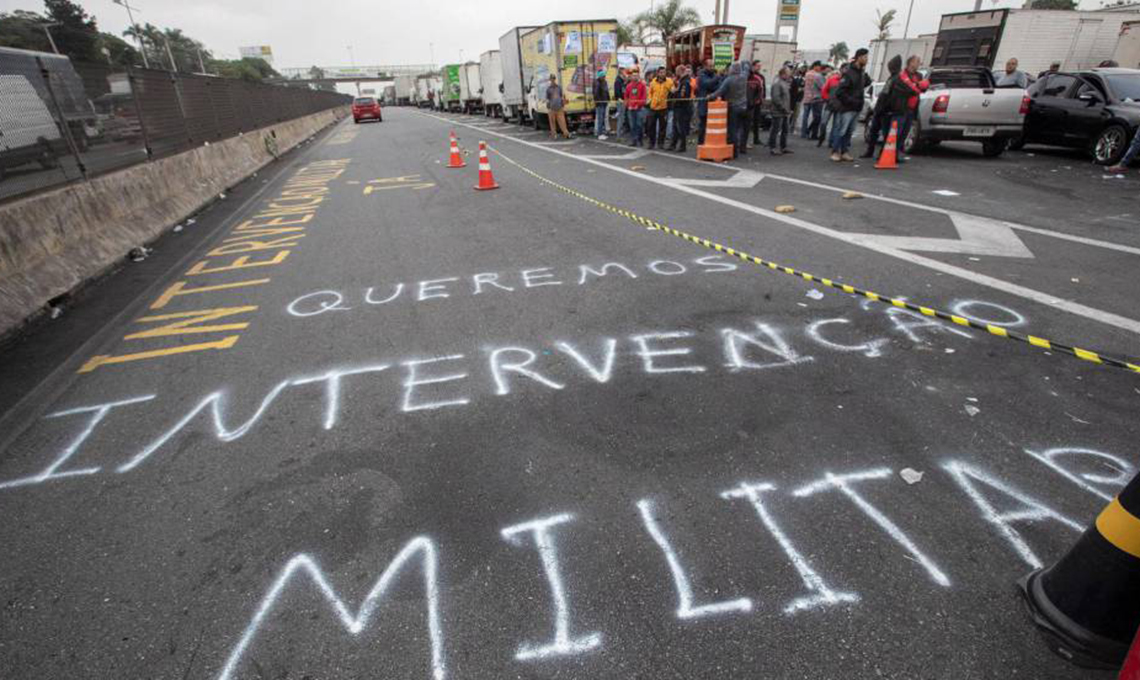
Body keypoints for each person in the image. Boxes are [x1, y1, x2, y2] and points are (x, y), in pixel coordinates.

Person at [829, 50, 870, 162]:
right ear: (859, 57)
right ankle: (835, 152)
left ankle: (844, 151)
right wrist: (851, 101)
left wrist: (864, 72)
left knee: (849, 132)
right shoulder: (849, 73)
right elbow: (840, 92)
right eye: (865, 57)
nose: (867, 59)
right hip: (847, 108)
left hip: (856, 108)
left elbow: (867, 82)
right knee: (842, 130)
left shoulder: (861, 72)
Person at [861, 54, 902, 159]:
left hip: (885, 111)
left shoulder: (896, 79)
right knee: (874, 132)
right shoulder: (892, 78)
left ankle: (880, 154)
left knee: (884, 133)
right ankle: (870, 152)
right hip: (880, 110)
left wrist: (885, 108)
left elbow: (890, 96)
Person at [712, 61, 749, 158]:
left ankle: (734, 151)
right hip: (744, 106)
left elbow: (720, 91)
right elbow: (747, 67)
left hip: (733, 107)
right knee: (742, 129)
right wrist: (744, 63)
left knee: (733, 130)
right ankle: (742, 147)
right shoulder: (744, 77)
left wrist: (710, 96)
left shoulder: (729, 80)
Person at [897, 55, 929, 154]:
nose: (919, 63)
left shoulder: (919, 75)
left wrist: (921, 86)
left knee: (906, 132)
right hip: (902, 107)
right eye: (917, 61)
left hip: (912, 108)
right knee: (898, 131)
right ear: (911, 62)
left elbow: (923, 89)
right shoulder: (902, 74)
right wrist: (917, 86)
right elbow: (906, 89)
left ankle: (898, 152)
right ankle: (891, 153)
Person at [646, 67, 673, 150]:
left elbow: (672, 91)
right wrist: (649, 100)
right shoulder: (653, 82)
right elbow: (650, 92)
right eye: (660, 72)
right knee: (651, 126)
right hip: (653, 107)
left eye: (664, 72)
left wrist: (673, 90)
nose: (662, 74)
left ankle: (661, 143)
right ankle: (651, 143)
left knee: (662, 127)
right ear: (658, 73)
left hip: (663, 107)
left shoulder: (669, 81)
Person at [669, 65, 694, 152]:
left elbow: (682, 96)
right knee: (675, 127)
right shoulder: (681, 81)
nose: (676, 73)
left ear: (680, 71)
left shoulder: (685, 82)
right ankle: (673, 144)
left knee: (681, 127)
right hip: (678, 107)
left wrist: (674, 92)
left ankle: (682, 146)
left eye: (677, 71)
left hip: (682, 108)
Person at [769, 66, 792, 155]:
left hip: (784, 111)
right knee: (775, 129)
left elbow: (785, 98)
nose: (789, 75)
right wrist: (783, 108)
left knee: (785, 130)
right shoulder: (777, 83)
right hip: (778, 111)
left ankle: (783, 146)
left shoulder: (784, 83)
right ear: (783, 74)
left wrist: (787, 109)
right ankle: (773, 147)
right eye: (788, 73)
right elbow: (776, 98)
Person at [696, 59, 721, 144]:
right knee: (703, 125)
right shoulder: (702, 75)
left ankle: (709, 142)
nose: (712, 68)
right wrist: (716, 78)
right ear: (705, 66)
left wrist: (714, 82)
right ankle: (701, 143)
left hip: (713, 104)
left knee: (712, 125)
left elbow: (718, 87)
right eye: (710, 66)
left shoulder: (713, 75)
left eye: (713, 66)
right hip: (704, 104)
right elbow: (707, 84)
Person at [817, 64, 840, 148]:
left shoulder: (840, 81)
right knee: (827, 123)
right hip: (831, 105)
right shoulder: (831, 80)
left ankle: (828, 141)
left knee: (832, 124)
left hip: (835, 106)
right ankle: (824, 139)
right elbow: (824, 91)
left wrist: (827, 99)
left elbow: (824, 91)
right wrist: (828, 99)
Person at [801, 61, 825, 139]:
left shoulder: (807, 73)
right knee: (816, 117)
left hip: (806, 97)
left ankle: (803, 133)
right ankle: (811, 132)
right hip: (814, 97)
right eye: (819, 66)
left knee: (805, 116)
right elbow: (821, 86)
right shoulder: (816, 75)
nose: (820, 68)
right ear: (815, 66)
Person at [625, 69, 648, 147]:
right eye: (633, 76)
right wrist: (628, 105)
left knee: (639, 125)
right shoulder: (629, 86)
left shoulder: (642, 85)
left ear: (638, 76)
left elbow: (644, 97)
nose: (635, 77)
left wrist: (637, 105)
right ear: (631, 77)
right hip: (631, 109)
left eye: (636, 75)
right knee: (632, 126)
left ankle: (640, 140)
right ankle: (634, 140)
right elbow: (626, 97)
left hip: (639, 109)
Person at [546, 75, 571, 139]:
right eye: (551, 79)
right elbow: (548, 99)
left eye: (553, 79)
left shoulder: (559, 87)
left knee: (562, 122)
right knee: (552, 123)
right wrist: (548, 107)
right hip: (552, 108)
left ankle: (566, 133)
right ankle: (554, 134)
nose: (552, 80)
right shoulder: (548, 89)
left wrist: (563, 103)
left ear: (555, 79)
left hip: (559, 107)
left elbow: (562, 96)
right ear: (550, 80)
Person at [748, 60, 767, 146]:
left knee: (757, 120)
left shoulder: (761, 77)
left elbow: (763, 88)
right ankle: (747, 140)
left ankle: (756, 138)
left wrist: (763, 97)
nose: (759, 67)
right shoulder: (749, 76)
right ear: (753, 66)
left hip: (758, 101)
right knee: (748, 121)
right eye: (757, 66)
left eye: (760, 66)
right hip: (751, 102)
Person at [593, 69, 610, 140]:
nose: (604, 77)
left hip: (604, 102)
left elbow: (606, 92)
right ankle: (599, 134)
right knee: (600, 118)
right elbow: (596, 94)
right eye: (603, 76)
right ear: (600, 76)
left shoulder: (604, 82)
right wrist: (599, 102)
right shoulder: (597, 83)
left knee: (602, 118)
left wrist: (608, 99)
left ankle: (601, 132)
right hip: (600, 103)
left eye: (604, 76)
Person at [788, 66, 805, 134]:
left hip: (798, 99)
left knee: (795, 115)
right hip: (791, 99)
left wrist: (800, 90)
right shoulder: (791, 79)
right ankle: (786, 127)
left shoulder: (803, 79)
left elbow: (803, 88)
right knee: (789, 114)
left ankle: (792, 128)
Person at [614, 68, 628, 139]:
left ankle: (620, 134)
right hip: (620, 102)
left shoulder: (622, 80)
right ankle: (618, 135)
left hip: (623, 101)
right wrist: (620, 99)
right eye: (624, 72)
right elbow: (617, 92)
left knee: (622, 118)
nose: (625, 73)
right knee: (620, 118)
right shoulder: (618, 81)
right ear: (621, 72)